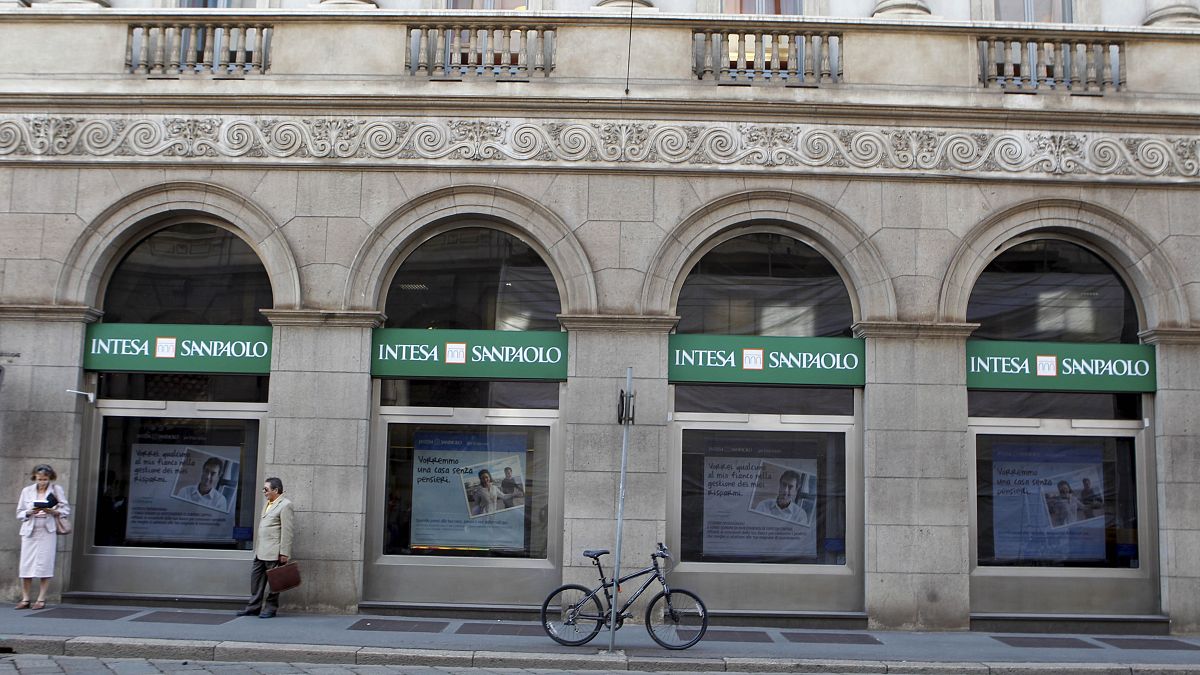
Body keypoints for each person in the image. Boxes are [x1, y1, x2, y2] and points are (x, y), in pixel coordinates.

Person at [15, 464, 70, 610]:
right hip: (29, 531)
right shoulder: (27, 491)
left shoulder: (56, 490)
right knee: (26, 565)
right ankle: (25, 598)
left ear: (50, 478)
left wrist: (52, 511)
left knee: (45, 563)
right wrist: (29, 512)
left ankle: (41, 598)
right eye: (39, 479)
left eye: (45, 479)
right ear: (35, 477)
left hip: (47, 530)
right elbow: (19, 512)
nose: (42, 482)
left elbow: (65, 509)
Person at [237, 477, 293, 619]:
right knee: (256, 580)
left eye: (266, 489)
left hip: (273, 552)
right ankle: (253, 607)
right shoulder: (268, 503)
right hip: (261, 551)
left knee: (275, 582)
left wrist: (284, 553)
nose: (264, 492)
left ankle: (270, 608)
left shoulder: (285, 505)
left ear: (276, 490)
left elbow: (287, 531)